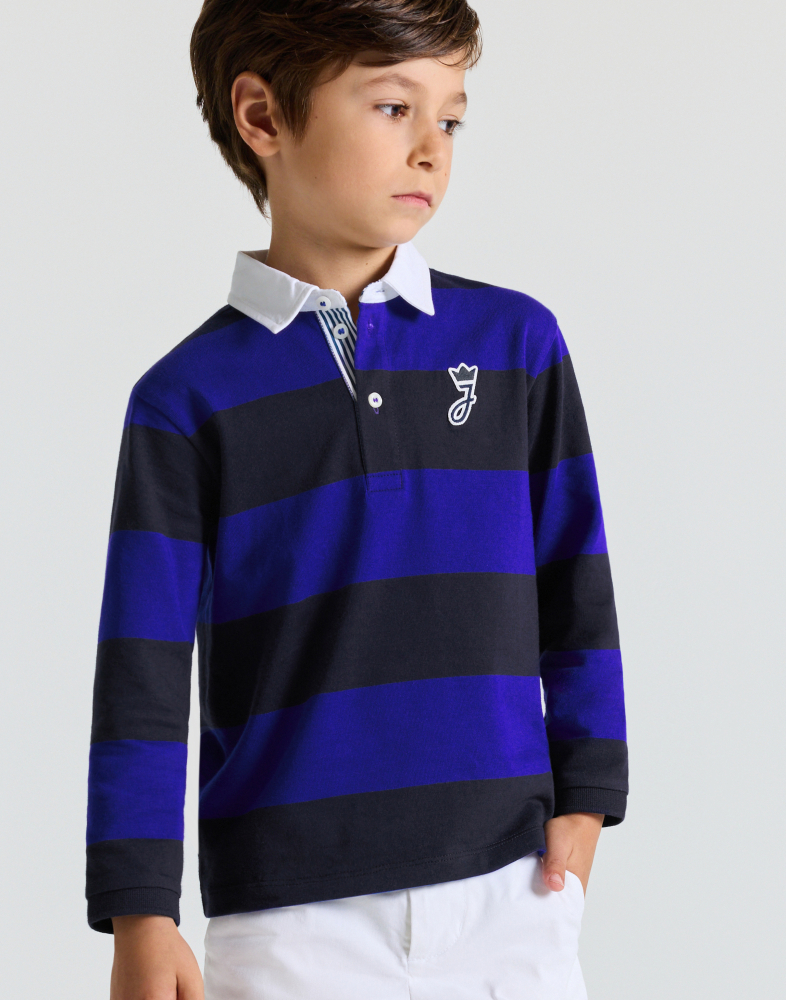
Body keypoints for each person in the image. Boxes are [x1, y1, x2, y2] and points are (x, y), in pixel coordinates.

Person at [86, 2, 628, 997]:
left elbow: (576, 582)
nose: (431, 148)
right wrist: (140, 913)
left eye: (450, 117)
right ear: (262, 116)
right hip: (291, 922)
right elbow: (143, 675)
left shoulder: (515, 346)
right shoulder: (184, 401)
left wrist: (589, 798)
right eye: (392, 107)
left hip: (510, 894)